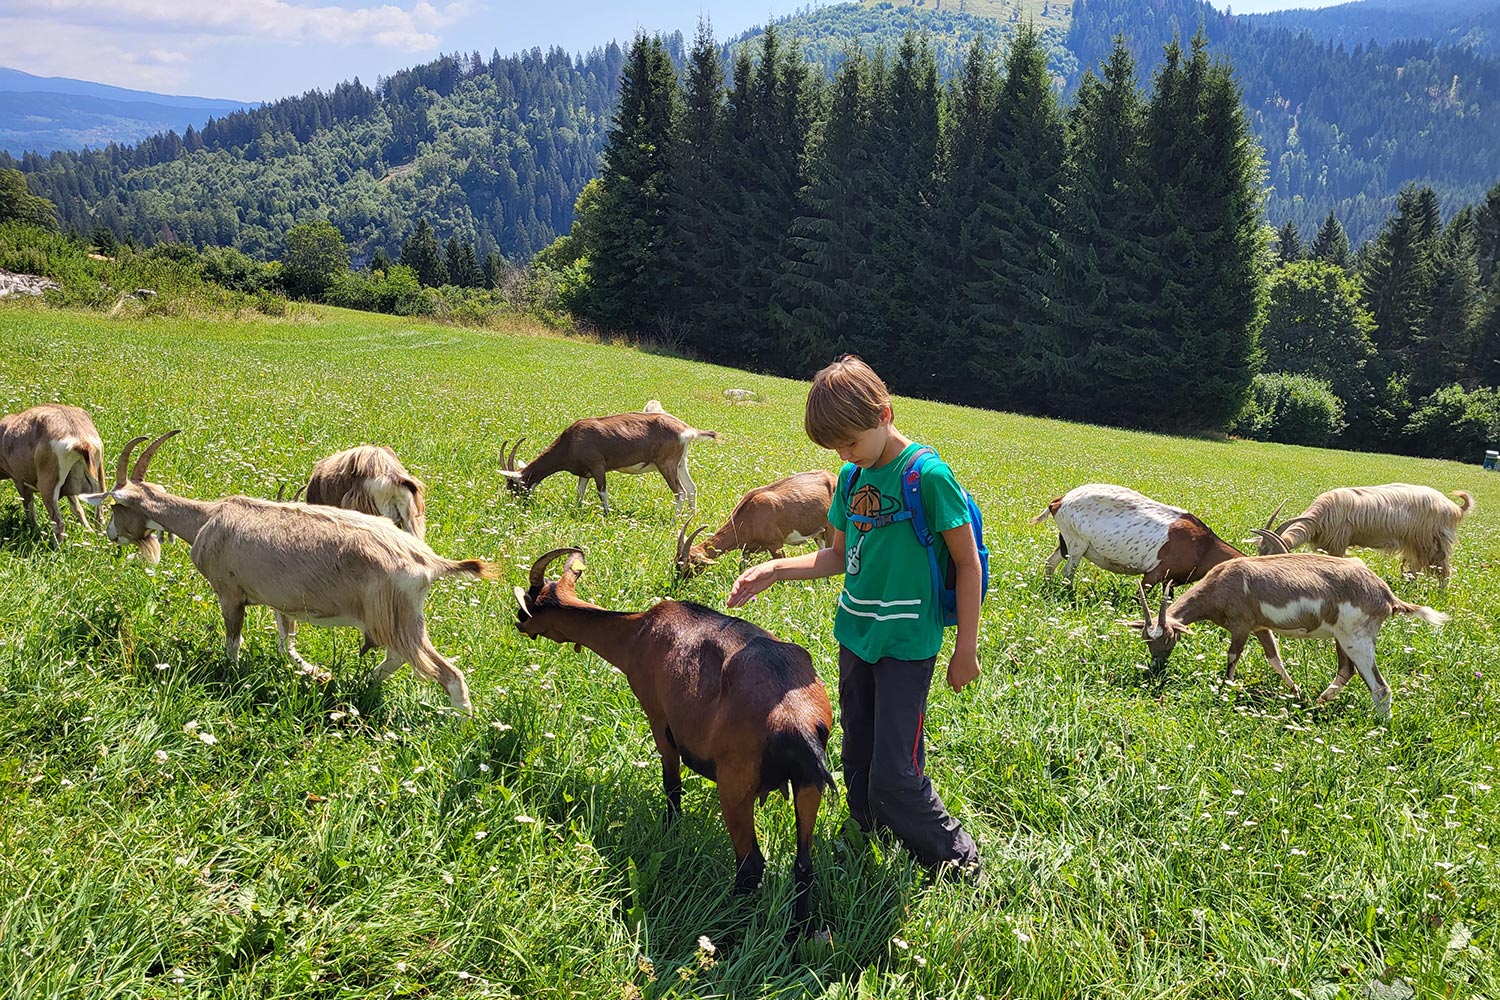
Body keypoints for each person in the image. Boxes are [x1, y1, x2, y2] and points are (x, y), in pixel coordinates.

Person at [728, 355, 981, 876]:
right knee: (858, 750)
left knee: (896, 768)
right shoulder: (849, 477)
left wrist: (966, 648)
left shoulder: (926, 476)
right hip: (857, 635)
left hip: (908, 643)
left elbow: (966, 561)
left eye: (851, 442)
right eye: (835, 448)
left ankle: (957, 858)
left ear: (884, 413)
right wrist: (774, 571)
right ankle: (869, 829)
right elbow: (837, 556)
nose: (845, 455)